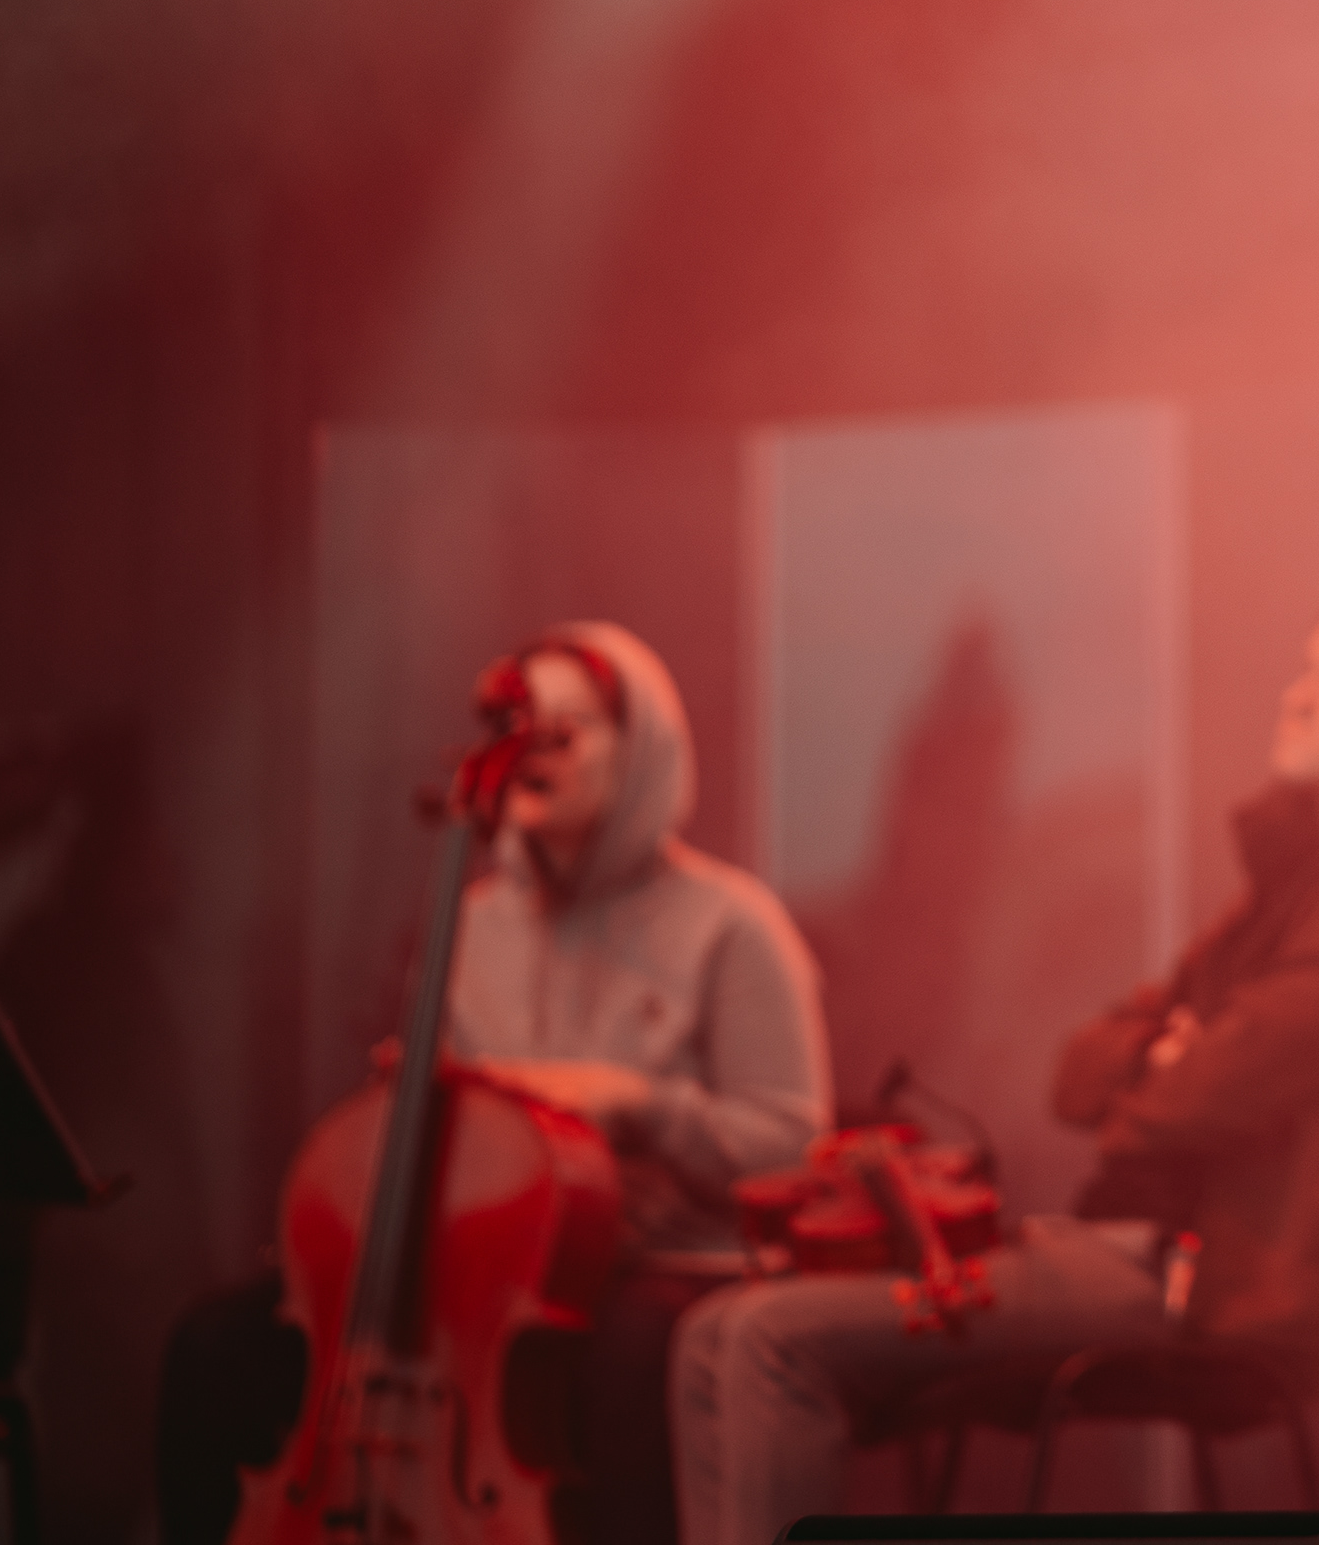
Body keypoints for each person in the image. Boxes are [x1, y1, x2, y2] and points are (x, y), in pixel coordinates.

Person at [667, 575, 1319, 1545]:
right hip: (1131, 1250)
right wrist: (1172, 1054)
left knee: (765, 1338)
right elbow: (1078, 1073)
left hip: (1205, 1284)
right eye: (1308, 668)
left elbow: (1181, 1102)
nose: (1299, 695)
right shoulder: (1292, 892)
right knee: (713, 1331)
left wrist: (1175, 1056)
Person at [157, 622, 831, 1545]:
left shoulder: (734, 925)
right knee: (215, 1346)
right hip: (490, 1274)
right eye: (517, 731)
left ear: (640, 753)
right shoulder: (472, 925)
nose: (531, 755)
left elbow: (794, 1151)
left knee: (633, 1361)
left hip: (658, 1266)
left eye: (564, 732)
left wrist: (638, 1102)